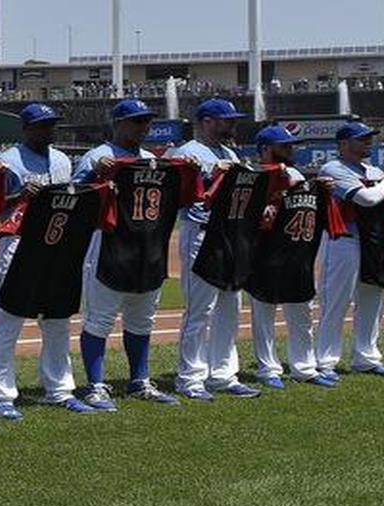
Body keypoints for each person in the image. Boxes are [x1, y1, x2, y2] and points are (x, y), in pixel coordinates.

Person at [71, 99, 192, 410]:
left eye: (146, 121)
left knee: (142, 320)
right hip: (108, 246)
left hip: (149, 248)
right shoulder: (98, 156)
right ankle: (95, 385)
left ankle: (139, 381)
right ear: (118, 123)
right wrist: (94, 175)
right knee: (100, 319)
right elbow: (76, 198)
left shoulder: (153, 160)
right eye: (136, 121)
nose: (143, 127)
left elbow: (184, 199)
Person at [0, 103, 94, 420]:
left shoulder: (61, 160)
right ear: (26, 128)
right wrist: (17, 195)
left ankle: (59, 390)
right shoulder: (5, 162)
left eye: (52, 125)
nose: (49, 130)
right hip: (17, 242)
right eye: (43, 125)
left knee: (58, 320)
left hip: (56, 244)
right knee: (8, 321)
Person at [168, 99, 261, 401]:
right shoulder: (185, 152)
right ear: (207, 121)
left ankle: (222, 374)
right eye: (227, 120)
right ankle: (190, 378)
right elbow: (176, 196)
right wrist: (209, 173)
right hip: (200, 232)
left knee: (229, 307)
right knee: (200, 308)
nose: (233, 125)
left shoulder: (230, 152)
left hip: (228, 233)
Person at [247, 126, 339, 389]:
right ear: (266, 149)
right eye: (284, 146)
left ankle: (304, 368)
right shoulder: (254, 175)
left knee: (302, 314)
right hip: (265, 255)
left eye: (291, 145)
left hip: (298, 255)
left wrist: (321, 188)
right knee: (264, 314)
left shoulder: (297, 174)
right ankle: (268, 369)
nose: (291, 150)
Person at [315, 122, 384, 380]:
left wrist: (381, 181)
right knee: (336, 301)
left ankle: (366, 358)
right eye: (361, 138)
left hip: (373, 241)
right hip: (344, 238)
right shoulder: (333, 168)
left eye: (369, 138)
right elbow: (368, 198)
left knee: (372, 298)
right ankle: (326, 362)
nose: (368, 142)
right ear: (343, 145)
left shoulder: (372, 169)